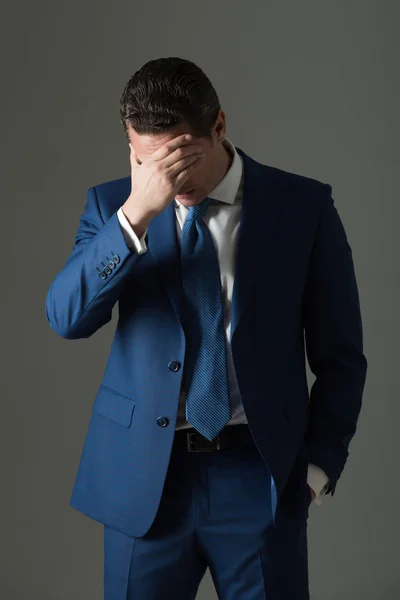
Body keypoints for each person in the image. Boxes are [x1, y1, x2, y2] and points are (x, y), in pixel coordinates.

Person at [45, 56, 367, 599]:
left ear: (218, 125)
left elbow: (341, 355)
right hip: (144, 481)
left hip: (257, 474)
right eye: (149, 163)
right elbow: (67, 318)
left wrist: (315, 472)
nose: (167, 180)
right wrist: (134, 218)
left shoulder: (302, 207)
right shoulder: (110, 207)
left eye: (180, 160)